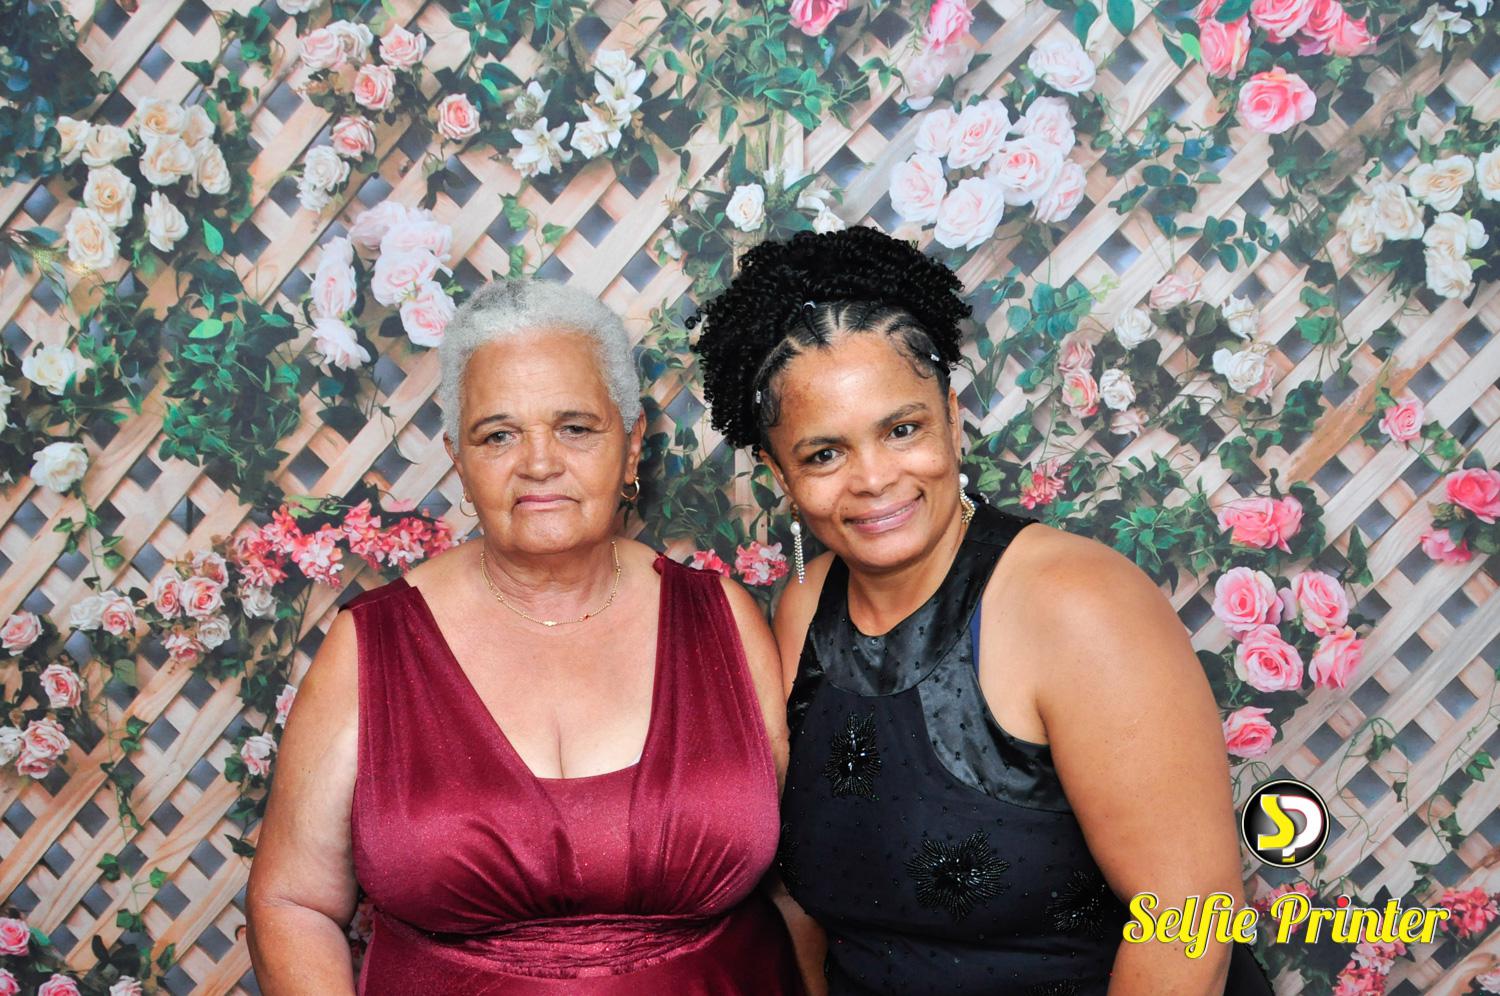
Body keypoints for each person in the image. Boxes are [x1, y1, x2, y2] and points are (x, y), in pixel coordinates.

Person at [691, 227, 1274, 995]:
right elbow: (799, 903)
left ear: (953, 419)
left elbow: (1189, 921)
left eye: (902, 430)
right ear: (777, 473)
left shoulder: (1077, 606)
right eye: (824, 454)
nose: (873, 478)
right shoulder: (805, 607)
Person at [247, 280, 803, 994]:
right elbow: (292, 903)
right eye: (498, 435)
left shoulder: (721, 621)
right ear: (458, 458)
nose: (539, 463)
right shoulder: (370, 647)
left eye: (575, 427)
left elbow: (798, 886)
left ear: (632, 442)